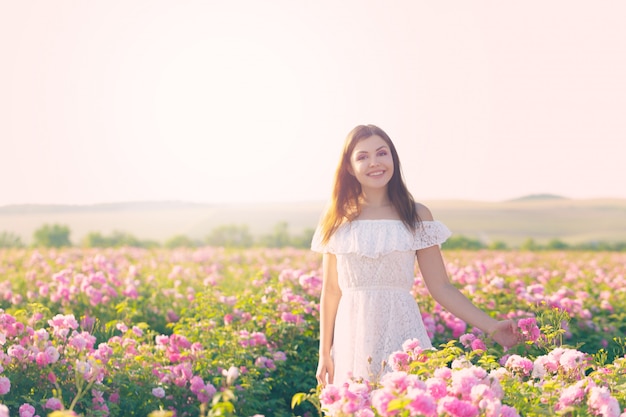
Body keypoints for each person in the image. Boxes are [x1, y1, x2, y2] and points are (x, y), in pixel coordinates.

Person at [311, 124, 520, 387]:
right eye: (362, 156)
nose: (375, 162)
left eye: (381, 153)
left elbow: (442, 287)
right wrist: (324, 354)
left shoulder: (416, 214)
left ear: (393, 159)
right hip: (352, 335)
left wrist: (491, 326)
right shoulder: (337, 217)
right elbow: (331, 291)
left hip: (401, 328)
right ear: (350, 168)